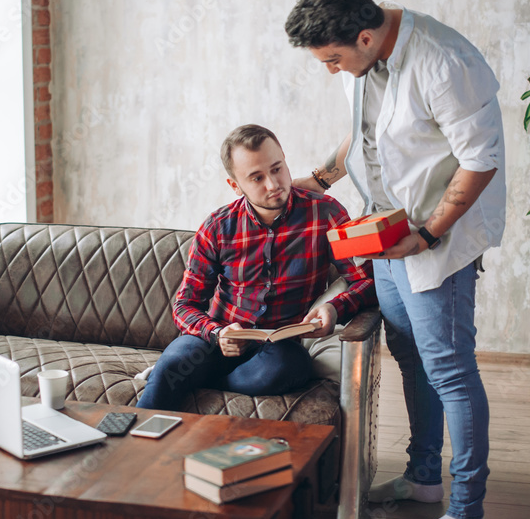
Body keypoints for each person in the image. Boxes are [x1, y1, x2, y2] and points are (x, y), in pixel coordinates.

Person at [284, 0, 506, 519]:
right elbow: (364, 132)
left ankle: (466, 510)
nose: (331, 70)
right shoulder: (363, 56)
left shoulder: (445, 62)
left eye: (333, 60)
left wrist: (427, 235)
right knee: (411, 357)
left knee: (450, 370)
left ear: (364, 37)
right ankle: (424, 477)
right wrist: (320, 179)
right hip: (383, 236)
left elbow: (480, 160)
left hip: (435, 241)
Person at [135, 124, 374, 411]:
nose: (273, 185)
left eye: (277, 169)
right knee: (174, 362)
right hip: (217, 341)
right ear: (235, 186)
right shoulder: (217, 226)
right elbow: (185, 305)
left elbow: (366, 281)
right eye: (257, 177)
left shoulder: (325, 213)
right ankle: (126, 430)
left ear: (284, 159)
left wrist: (335, 308)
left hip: (279, 348)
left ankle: (202, 381)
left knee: (290, 366)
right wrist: (216, 332)